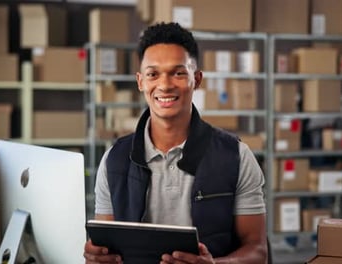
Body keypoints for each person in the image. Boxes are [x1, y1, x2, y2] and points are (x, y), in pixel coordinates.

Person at [83, 22, 268, 263]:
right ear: (140, 82)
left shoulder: (236, 156)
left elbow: (258, 251)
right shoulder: (115, 160)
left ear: (197, 79)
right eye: (153, 74)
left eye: (178, 73)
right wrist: (97, 258)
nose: (165, 84)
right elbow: (106, 245)